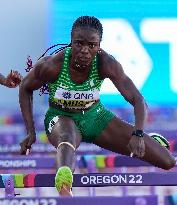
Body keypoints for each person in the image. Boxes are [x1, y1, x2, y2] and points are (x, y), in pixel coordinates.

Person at [19, 16, 176, 196]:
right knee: (67, 135)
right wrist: (30, 131)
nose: (85, 51)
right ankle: (64, 182)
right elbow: (25, 87)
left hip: (95, 117)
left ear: (99, 45)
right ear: (71, 42)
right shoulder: (52, 65)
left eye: (92, 45)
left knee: (168, 162)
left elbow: (138, 100)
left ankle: (151, 139)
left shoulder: (105, 63)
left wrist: (138, 134)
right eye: (79, 44)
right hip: (61, 117)